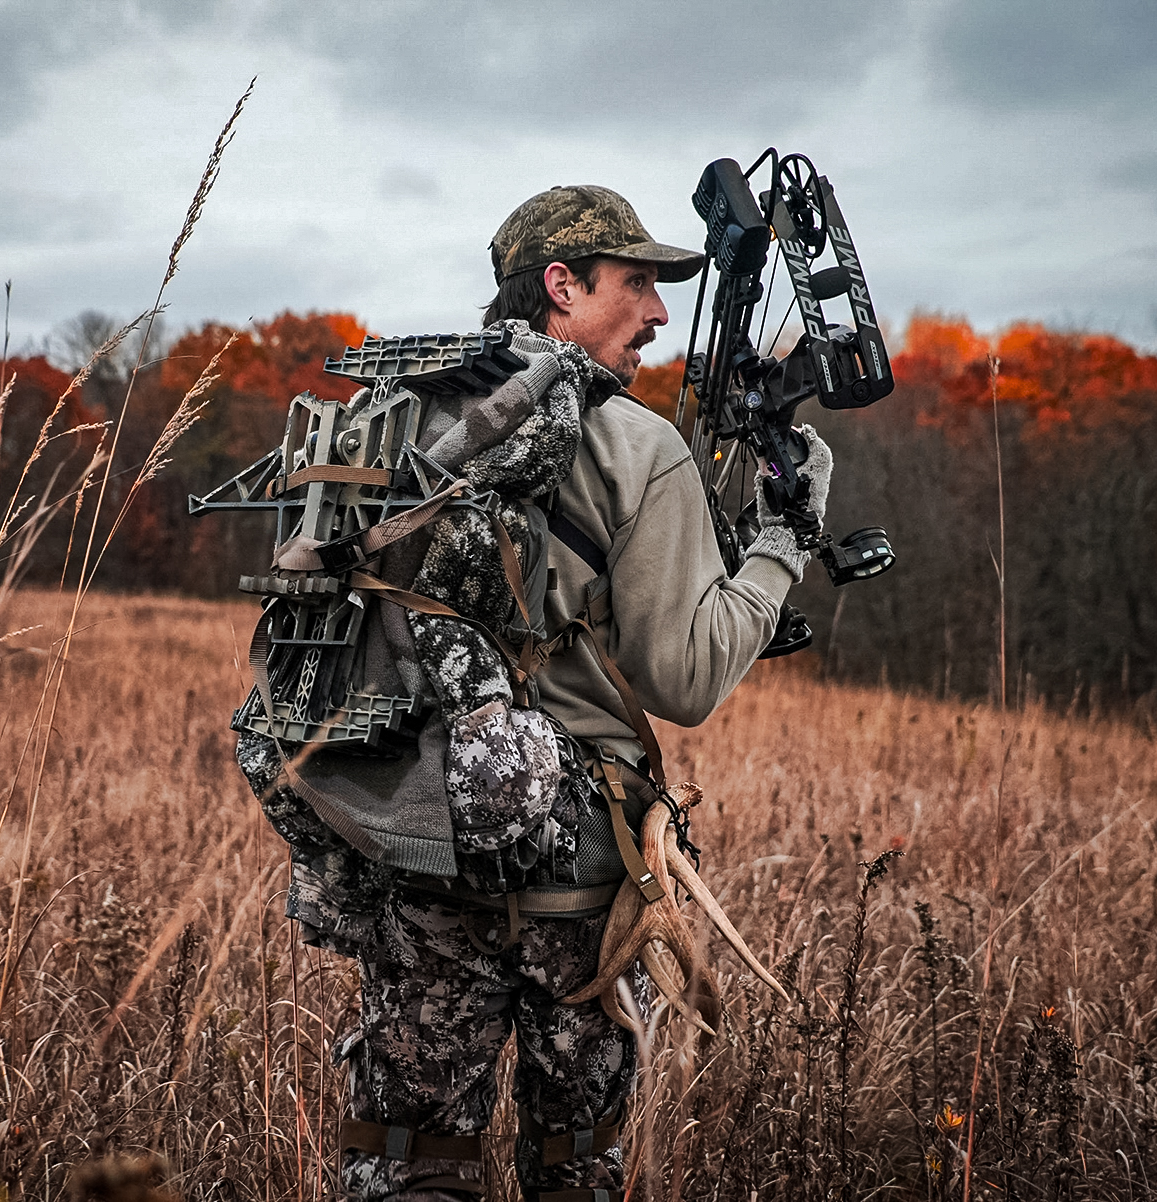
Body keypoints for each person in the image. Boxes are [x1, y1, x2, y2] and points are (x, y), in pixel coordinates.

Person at [297, 185, 834, 1201]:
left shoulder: (392, 410)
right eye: (636, 283)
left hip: (415, 850)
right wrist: (780, 546)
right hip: (576, 882)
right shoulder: (638, 444)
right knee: (572, 1169)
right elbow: (685, 676)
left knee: (411, 1163)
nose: (659, 313)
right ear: (561, 285)